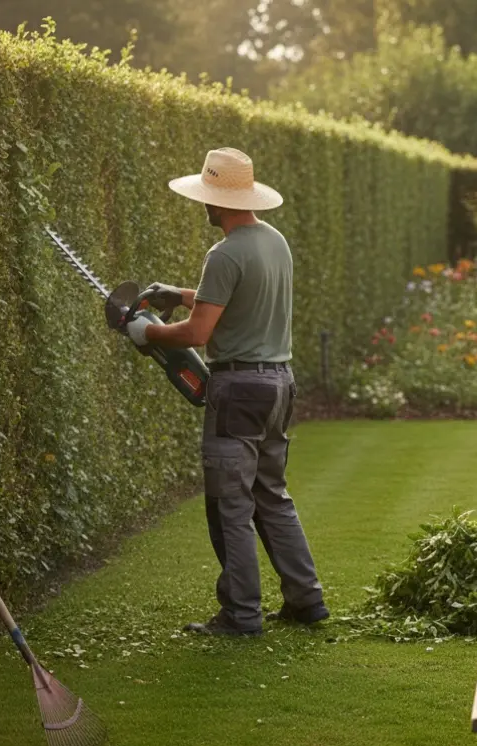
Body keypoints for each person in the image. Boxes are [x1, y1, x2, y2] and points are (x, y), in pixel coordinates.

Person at [121, 147, 327, 637]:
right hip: (279, 384)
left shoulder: (225, 251)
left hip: (238, 388)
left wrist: (148, 333)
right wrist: (179, 292)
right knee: (271, 496)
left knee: (230, 506)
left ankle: (241, 615)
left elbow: (196, 333)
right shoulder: (275, 242)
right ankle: (307, 600)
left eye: (207, 200)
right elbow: (237, 299)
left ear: (217, 200)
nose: (204, 208)